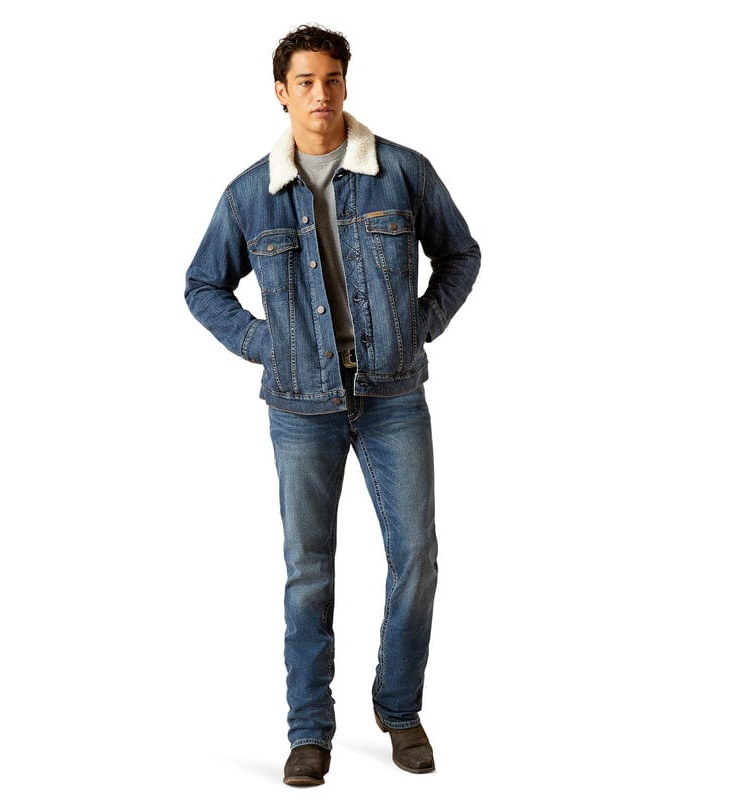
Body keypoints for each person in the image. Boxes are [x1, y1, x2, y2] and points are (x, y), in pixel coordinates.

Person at [184, 24, 480, 786]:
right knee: (308, 571)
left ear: (347, 84)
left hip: (392, 395)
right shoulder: (249, 194)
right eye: (306, 81)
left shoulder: (402, 171)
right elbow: (202, 286)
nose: (322, 93)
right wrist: (266, 343)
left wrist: (420, 325)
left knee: (416, 558)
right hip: (299, 405)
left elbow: (461, 253)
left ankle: (399, 709)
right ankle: (309, 729)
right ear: (280, 93)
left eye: (333, 79)